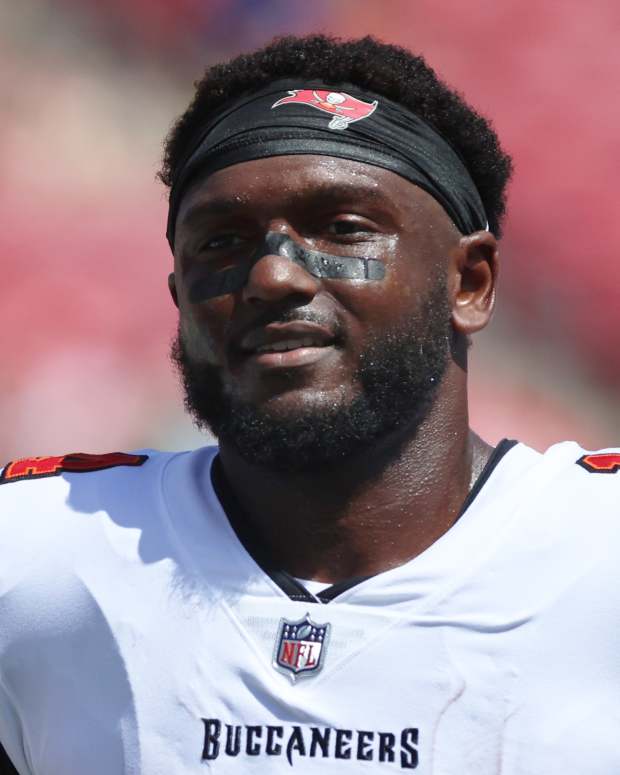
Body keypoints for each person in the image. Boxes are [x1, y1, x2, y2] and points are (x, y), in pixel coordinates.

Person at [0, 33, 618, 775]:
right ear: (177, 298)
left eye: (343, 228)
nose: (272, 277)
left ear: (470, 284)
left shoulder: (597, 550)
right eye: (220, 242)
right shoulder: (37, 551)